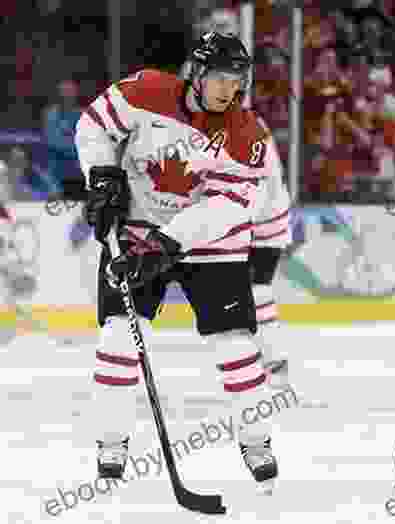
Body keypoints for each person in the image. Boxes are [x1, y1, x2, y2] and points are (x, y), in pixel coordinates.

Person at [75, 31, 280, 493]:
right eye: (222, 79)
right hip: (138, 227)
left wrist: (166, 244)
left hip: (211, 243)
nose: (231, 90)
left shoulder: (247, 134)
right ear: (197, 73)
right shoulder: (145, 91)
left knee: (236, 347)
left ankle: (256, 440)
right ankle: (111, 441)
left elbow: (229, 207)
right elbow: (93, 126)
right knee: (117, 339)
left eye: (239, 80)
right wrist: (102, 175)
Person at [249, 118, 292, 389]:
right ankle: (272, 363)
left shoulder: (245, 125)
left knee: (256, 290)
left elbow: (261, 181)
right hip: (266, 213)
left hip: (263, 217)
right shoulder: (253, 122)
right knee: (256, 290)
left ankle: (273, 362)